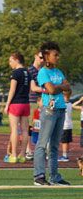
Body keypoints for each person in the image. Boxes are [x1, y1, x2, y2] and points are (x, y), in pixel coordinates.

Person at [33, 41, 70, 186]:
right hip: (49, 110)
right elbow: (51, 90)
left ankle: (55, 176)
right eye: (55, 55)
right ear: (47, 56)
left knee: (54, 146)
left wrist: (58, 87)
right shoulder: (43, 72)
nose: (58, 57)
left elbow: (68, 89)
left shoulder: (58, 71)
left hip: (61, 109)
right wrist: (60, 87)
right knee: (42, 144)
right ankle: (39, 175)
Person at [3, 52, 30, 163]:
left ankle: (13, 155)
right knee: (24, 130)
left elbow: (12, 90)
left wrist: (7, 104)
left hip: (15, 103)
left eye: (10, 61)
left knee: (14, 130)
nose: (10, 63)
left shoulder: (16, 73)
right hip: (25, 103)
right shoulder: (28, 72)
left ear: (16, 59)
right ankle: (23, 155)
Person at [26, 50, 45, 159]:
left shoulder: (43, 71)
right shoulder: (30, 70)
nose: (42, 60)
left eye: (43, 58)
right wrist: (47, 89)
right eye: (40, 57)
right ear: (35, 56)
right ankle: (29, 150)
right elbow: (33, 88)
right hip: (32, 101)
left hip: (43, 102)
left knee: (42, 127)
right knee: (30, 127)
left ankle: (41, 150)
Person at [59, 88, 73, 162]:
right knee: (67, 141)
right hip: (69, 125)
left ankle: (64, 156)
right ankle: (66, 154)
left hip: (64, 125)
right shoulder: (70, 104)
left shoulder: (63, 105)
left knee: (64, 141)